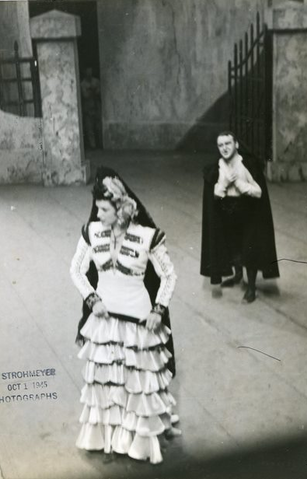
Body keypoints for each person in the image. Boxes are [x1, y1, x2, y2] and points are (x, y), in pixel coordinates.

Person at [70, 167, 180, 464]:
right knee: (108, 383)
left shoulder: (147, 237)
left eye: (104, 209)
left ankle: (138, 441)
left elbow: (169, 275)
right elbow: (76, 269)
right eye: (97, 208)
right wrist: (92, 299)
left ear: (120, 210)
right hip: (104, 321)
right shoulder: (91, 231)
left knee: (137, 384)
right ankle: (111, 439)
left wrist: (159, 309)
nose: (98, 213)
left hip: (138, 322)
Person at [200, 131, 279, 303]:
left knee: (249, 247)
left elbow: (258, 192)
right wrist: (225, 184)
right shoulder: (216, 168)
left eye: (228, 143)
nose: (224, 148)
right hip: (226, 211)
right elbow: (214, 196)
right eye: (220, 145)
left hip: (248, 211)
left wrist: (240, 185)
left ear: (236, 144)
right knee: (232, 245)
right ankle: (237, 276)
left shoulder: (247, 165)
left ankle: (251, 287)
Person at [80, 67, 102, 149]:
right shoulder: (83, 84)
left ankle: (100, 144)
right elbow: (85, 95)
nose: (89, 73)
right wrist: (93, 90)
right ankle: (93, 146)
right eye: (87, 71)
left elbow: (99, 92)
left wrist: (91, 91)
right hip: (88, 108)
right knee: (90, 129)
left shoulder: (96, 81)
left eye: (90, 71)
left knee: (99, 127)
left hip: (96, 106)